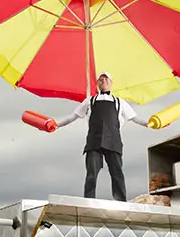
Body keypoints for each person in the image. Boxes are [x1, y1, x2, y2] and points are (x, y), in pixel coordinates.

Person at [55, 72, 152, 202]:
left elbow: (135, 118)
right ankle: (88, 202)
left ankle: (120, 202)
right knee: (91, 175)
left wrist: (151, 124)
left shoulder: (120, 102)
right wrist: (56, 125)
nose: (103, 81)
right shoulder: (90, 100)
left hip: (113, 142)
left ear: (111, 83)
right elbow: (72, 117)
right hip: (94, 141)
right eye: (101, 79)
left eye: (106, 79)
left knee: (117, 174)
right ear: (97, 83)